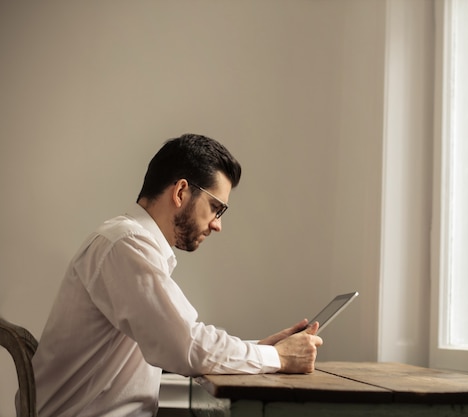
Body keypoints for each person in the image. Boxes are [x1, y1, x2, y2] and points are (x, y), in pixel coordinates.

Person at [29, 133, 323, 417]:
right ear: (181, 192)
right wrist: (279, 358)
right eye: (215, 208)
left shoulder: (127, 242)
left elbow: (180, 340)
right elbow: (186, 346)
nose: (217, 225)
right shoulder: (125, 244)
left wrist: (257, 349)